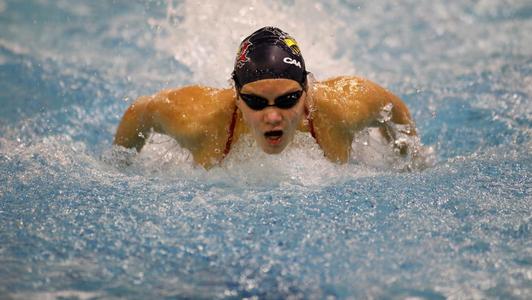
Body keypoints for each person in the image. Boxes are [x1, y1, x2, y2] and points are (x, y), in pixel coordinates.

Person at [114, 26, 417, 169]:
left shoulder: (341, 108)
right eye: (257, 102)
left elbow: (392, 107)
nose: (272, 116)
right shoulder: (199, 122)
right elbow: (141, 111)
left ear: (306, 90)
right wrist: (121, 168)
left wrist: (409, 163)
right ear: (236, 96)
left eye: (287, 100)